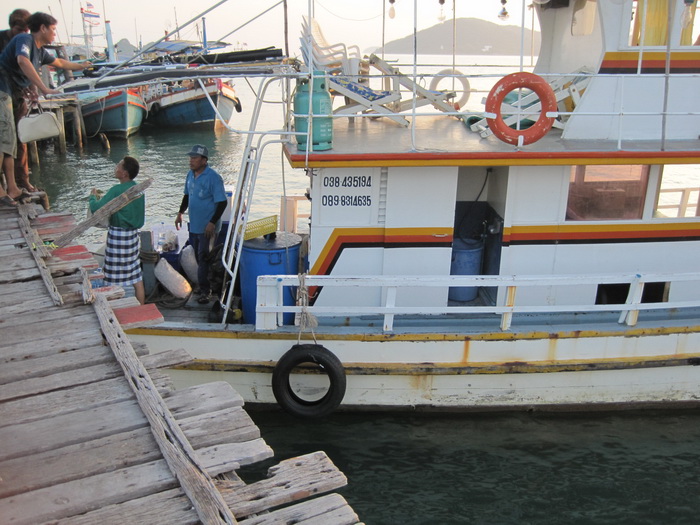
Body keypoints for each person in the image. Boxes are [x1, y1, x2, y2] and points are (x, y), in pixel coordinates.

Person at [0, 12, 89, 200]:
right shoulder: (25, 39)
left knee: (10, 143)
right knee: (3, 142)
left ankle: (13, 188)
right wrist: (44, 88)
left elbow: (59, 62)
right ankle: (3, 192)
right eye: (53, 29)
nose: (55, 34)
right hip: (2, 92)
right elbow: (22, 61)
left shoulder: (40, 51)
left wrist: (81, 66)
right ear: (42, 28)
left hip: (11, 94)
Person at [89, 156, 146, 304]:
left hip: (118, 236)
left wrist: (92, 197)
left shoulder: (116, 190)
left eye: (119, 166)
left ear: (125, 173)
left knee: (110, 275)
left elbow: (97, 208)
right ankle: (141, 309)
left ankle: (113, 308)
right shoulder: (138, 190)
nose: (116, 168)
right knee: (135, 276)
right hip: (133, 237)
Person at [175, 144, 227, 304]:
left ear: (204, 160)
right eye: (190, 158)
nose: (191, 161)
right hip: (194, 225)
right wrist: (180, 212)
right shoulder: (189, 175)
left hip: (207, 228)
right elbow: (187, 196)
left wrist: (212, 223)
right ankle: (202, 284)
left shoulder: (213, 177)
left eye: (195, 158)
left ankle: (207, 291)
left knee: (205, 257)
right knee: (198, 256)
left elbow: (222, 202)